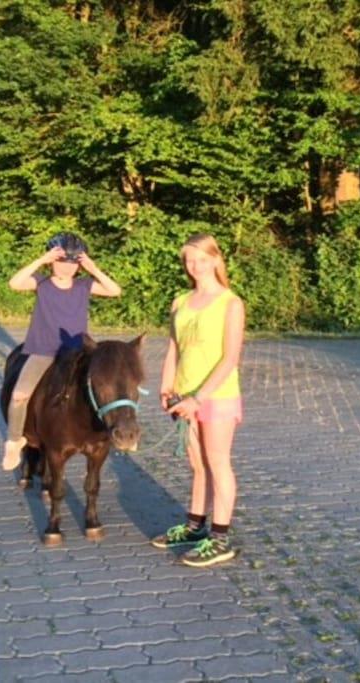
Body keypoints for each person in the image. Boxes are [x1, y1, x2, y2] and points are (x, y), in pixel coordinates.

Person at [152, 233, 245, 567]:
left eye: (202, 259)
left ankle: (220, 539)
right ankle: (194, 527)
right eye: (190, 260)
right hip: (184, 395)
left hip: (216, 395)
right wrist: (167, 387)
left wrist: (198, 398)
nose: (196, 266)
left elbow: (230, 358)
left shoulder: (230, 303)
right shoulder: (180, 301)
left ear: (216, 260)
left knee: (218, 463)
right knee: (197, 465)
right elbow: (174, 348)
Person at [2, 232, 122, 471]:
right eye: (60, 261)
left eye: (72, 263)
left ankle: (115, 429)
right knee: (19, 395)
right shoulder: (42, 284)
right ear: (52, 262)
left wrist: (93, 268)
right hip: (43, 350)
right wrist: (40, 260)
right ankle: (15, 441)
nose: (66, 268)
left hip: (77, 352)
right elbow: (14, 283)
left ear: (78, 266)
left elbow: (115, 290)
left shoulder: (83, 285)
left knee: (106, 386)